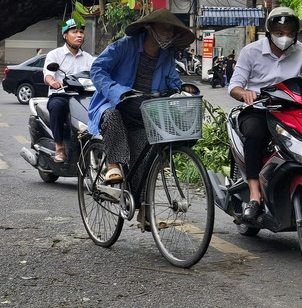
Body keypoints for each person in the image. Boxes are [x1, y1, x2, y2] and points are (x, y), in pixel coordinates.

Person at [228, 7, 302, 222]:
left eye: (289, 32)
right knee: (255, 135)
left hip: (291, 111)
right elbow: (234, 86)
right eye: (279, 32)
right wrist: (245, 93)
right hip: (259, 110)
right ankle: (254, 195)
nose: (284, 37)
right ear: (270, 31)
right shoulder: (250, 52)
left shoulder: (300, 51)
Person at [88, 10, 195, 183]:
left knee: (144, 169)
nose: (168, 34)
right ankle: (113, 164)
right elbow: (97, 70)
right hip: (115, 107)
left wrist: (184, 89)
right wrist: (116, 90)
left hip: (145, 115)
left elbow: (173, 82)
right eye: (164, 29)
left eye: (171, 31)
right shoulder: (124, 46)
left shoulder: (167, 56)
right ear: (149, 28)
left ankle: (140, 210)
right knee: (112, 117)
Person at [42, 21, 95, 162]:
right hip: (62, 95)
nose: (79, 35)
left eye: (81, 32)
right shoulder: (55, 54)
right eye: (74, 32)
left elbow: (97, 75)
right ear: (65, 35)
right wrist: (53, 82)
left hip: (82, 97)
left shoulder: (89, 58)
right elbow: (48, 74)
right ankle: (59, 147)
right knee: (57, 106)